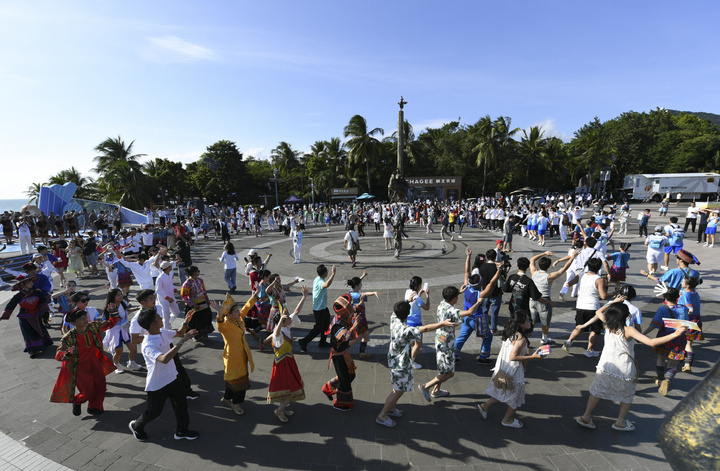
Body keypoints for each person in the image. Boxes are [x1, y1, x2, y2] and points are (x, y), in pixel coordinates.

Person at [575, 297, 687, 432]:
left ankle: (586, 416)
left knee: (597, 390)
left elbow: (599, 311)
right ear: (626, 315)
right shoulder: (628, 330)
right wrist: (675, 334)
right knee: (627, 395)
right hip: (624, 367)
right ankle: (620, 422)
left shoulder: (608, 325)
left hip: (606, 365)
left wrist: (613, 302)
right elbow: (651, 342)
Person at [375, 300, 458, 427]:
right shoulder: (407, 330)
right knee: (398, 390)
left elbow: (396, 311)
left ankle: (391, 408)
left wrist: (407, 301)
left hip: (393, 358)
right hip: (400, 363)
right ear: (407, 314)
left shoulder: (394, 319)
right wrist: (443, 323)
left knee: (397, 386)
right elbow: (425, 328)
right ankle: (383, 415)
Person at [128, 308, 198, 442]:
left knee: (181, 405)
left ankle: (182, 431)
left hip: (173, 377)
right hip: (158, 384)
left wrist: (186, 322)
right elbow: (164, 359)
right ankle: (136, 426)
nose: (161, 318)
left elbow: (179, 333)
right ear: (153, 324)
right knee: (154, 412)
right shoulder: (148, 344)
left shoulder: (163, 332)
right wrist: (182, 342)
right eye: (158, 317)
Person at [478, 310, 544, 429]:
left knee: (502, 391)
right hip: (513, 373)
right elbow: (513, 356)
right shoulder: (521, 338)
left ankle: (484, 406)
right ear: (521, 323)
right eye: (527, 320)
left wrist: (529, 353)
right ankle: (507, 420)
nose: (530, 322)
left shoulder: (510, 333)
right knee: (516, 399)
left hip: (503, 369)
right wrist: (533, 356)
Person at [417, 285, 484, 402]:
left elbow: (451, 298)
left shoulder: (442, 303)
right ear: (454, 298)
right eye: (457, 296)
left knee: (443, 367)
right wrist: (478, 302)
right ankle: (425, 386)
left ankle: (436, 390)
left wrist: (459, 291)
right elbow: (469, 312)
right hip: (446, 343)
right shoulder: (452, 310)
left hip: (440, 338)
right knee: (449, 373)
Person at [50, 307, 120, 416]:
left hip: (95, 362)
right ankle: (77, 401)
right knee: (88, 391)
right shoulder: (68, 337)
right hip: (80, 367)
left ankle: (94, 407)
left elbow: (109, 324)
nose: (85, 320)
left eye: (85, 317)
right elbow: (58, 356)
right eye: (82, 319)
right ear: (74, 323)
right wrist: (68, 353)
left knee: (100, 386)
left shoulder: (93, 326)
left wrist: (113, 312)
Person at [131, 290, 198, 399]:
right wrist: (153, 337)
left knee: (178, 369)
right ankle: (163, 394)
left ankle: (185, 391)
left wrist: (185, 322)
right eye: (150, 298)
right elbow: (134, 339)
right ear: (142, 302)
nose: (154, 300)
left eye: (154, 297)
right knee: (161, 373)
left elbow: (179, 333)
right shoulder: (136, 319)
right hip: (155, 348)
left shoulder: (158, 308)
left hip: (167, 343)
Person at [209, 291, 259, 416]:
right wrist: (219, 311)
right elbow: (219, 325)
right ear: (229, 314)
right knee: (238, 382)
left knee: (234, 380)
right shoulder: (226, 325)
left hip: (242, 354)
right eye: (236, 311)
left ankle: (227, 398)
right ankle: (235, 404)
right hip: (232, 357)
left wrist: (256, 294)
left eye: (238, 310)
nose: (239, 312)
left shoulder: (239, 319)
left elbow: (247, 307)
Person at [267, 285, 309, 422]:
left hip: (288, 361)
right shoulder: (278, 333)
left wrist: (304, 297)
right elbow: (276, 332)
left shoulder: (286, 326)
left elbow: (296, 311)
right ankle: (279, 410)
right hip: (282, 364)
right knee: (291, 388)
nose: (291, 318)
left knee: (290, 387)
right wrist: (280, 320)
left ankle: (282, 409)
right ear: (283, 322)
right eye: (287, 318)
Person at [562, 258, 616, 357]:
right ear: (599, 267)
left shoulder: (581, 275)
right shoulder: (599, 279)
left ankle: (569, 341)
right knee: (596, 330)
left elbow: (569, 283)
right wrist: (614, 293)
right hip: (593, 307)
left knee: (579, 327)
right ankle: (589, 350)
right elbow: (603, 296)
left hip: (580, 305)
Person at [643, 287, 689, 396]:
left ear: (665, 297)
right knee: (673, 364)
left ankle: (660, 379)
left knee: (661, 358)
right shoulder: (683, 308)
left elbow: (654, 325)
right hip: (679, 338)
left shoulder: (662, 309)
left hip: (665, 337)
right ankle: (667, 380)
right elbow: (686, 322)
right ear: (678, 297)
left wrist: (643, 334)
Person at [322, 294, 361, 411]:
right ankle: (341, 403)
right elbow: (345, 337)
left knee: (350, 375)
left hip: (343, 353)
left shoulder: (342, 318)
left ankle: (329, 387)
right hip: (339, 356)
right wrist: (355, 325)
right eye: (350, 307)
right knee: (345, 380)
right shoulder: (338, 324)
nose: (352, 309)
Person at [529, 250, 576, 345]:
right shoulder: (549, 276)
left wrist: (544, 253)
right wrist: (572, 257)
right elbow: (564, 268)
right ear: (548, 266)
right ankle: (544, 339)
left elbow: (532, 259)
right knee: (545, 322)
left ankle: (527, 336)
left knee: (533, 321)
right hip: (544, 301)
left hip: (532, 300)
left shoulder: (534, 272)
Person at [1, 274, 53, 358]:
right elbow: (10, 306)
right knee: (28, 333)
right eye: (28, 282)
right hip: (24, 316)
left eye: (31, 281)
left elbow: (42, 302)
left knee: (39, 330)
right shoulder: (18, 296)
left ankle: (43, 345)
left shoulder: (37, 292)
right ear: (23, 285)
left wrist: (45, 309)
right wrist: (3, 316)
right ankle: (32, 350)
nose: (31, 283)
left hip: (36, 315)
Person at [102, 289, 142, 372]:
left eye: (121, 294)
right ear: (112, 297)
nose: (121, 296)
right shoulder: (109, 308)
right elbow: (105, 321)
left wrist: (136, 308)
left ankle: (132, 362)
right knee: (119, 351)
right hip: (114, 331)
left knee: (133, 348)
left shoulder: (123, 303)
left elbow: (126, 311)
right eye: (118, 295)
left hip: (125, 328)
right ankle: (116, 365)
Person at [299, 264, 336, 351]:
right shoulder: (320, 281)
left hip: (323, 308)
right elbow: (326, 285)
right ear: (325, 273)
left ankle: (322, 341)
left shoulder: (318, 278)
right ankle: (304, 341)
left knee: (326, 324)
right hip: (319, 309)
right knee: (318, 328)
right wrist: (333, 274)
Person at [347, 271, 379, 359]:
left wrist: (363, 276)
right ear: (357, 285)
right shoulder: (358, 295)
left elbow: (356, 282)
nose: (362, 285)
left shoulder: (351, 292)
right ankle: (343, 349)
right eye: (361, 284)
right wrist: (373, 292)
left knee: (365, 335)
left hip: (359, 318)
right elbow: (364, 294)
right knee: (352, 337)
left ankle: (362, 353)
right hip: (358, 319)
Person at [180, 266, 214, 339]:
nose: (198, 272)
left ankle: (205, 333)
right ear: (194, 273)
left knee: (206, 318)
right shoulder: (187, 284)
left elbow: (204, 291)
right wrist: (193, 305)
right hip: (194, 305)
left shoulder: (200, 280)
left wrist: (207, 300)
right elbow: (184, 297)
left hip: (203, 303)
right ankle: (195, 335)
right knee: (195, 321)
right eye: (197, 271)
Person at [405, 276, 430, 369]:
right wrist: (427, 296)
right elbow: (427, 307)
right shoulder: (417, 298)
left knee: (412, 342)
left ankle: (409, 357)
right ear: (419, 285)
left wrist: (419, 294)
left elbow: (413, 302)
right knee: (418, 343)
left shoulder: (408, 292)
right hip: (416, 322)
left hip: (408, 320)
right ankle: (411, 362)